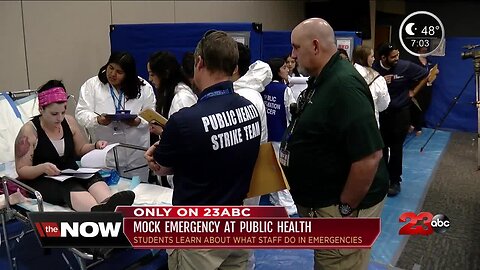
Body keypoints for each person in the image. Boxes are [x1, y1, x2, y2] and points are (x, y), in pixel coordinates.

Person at [145, 30, 261, 270]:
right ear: (234, 66)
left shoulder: (184, 121)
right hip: (237, 222)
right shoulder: (250, 110)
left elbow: (163, 166)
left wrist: (156, 156)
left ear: (199, 62)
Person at [282, 18, 388, 270]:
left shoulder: (343, 86)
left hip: (342, 211)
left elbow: (369, 156)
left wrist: (345, 207)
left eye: (297, 47)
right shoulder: (324, 79)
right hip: (324, 203)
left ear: (315, 46)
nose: (293, 54)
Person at [15, 80, 134, 212]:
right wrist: (42, 168)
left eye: (63, 111)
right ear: (41, 109)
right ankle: (97, 211)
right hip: (42, 179)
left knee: (92, 176)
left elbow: (80, 149)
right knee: (67, 185)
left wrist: (95, 145)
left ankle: (110, 205)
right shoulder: (29, 132)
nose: (60, 118)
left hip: (69, 172)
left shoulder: (69, 122)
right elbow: (22, 170)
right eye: (54, 114)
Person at [75, 52, 156, 182]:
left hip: (136, 154)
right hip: (106, 156)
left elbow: (151, 115)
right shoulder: (92, 86)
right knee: (110, 194)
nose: (112, 74)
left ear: (128, 74)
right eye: (111, 68)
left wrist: (138, 122)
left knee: (138, 193)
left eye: (119, 72)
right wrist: (97, 120)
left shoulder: (144, 88)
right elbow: (81, 113)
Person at [372, 42, 428, 196]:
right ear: (383, 58)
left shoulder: (406, 66)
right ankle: (381, 179)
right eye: (393, 56)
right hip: (381, 114)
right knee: (380, 148)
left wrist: (413, 92)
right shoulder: (374, 68)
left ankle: (395, 181)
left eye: (397, 55)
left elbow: (426, 75)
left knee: (396, 148)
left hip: (400, 113)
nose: (397, 58)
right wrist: (383, 80)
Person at [147, 51, 198, 187]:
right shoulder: (168, 94)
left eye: (152, 74)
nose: (150, 79)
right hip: (170, 169)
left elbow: (190, 140)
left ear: (165, 73)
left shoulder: (182, 98)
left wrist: (162, 132)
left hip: (183, 175)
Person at [261, 57, 297, 216]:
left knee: (272, 169)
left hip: (266, 134)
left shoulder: (264, 88)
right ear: (277, 71)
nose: (287, 69)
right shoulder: (285, 90)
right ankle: (288, 206)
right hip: (280, 134)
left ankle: (275, 199)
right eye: (283, 67)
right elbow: (292, 113)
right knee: (280, 171)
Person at [352, 45, 390, 127]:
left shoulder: (345, 74)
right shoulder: (378, 79)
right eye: (372, 56)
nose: (374, 59)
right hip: (370, 124)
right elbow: (383, 105)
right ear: (364, 58)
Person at [408, 46, 438, 135]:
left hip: (427, 88)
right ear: (418, 51)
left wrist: (435, 73)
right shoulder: (414, 62)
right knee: (416, 108)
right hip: (417, 88)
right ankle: (416, 127)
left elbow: (433, 74)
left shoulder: (429, 62)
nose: (425, 52)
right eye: (423, 51)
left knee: (424, 107)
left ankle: (415, 125)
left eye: (426, 51)